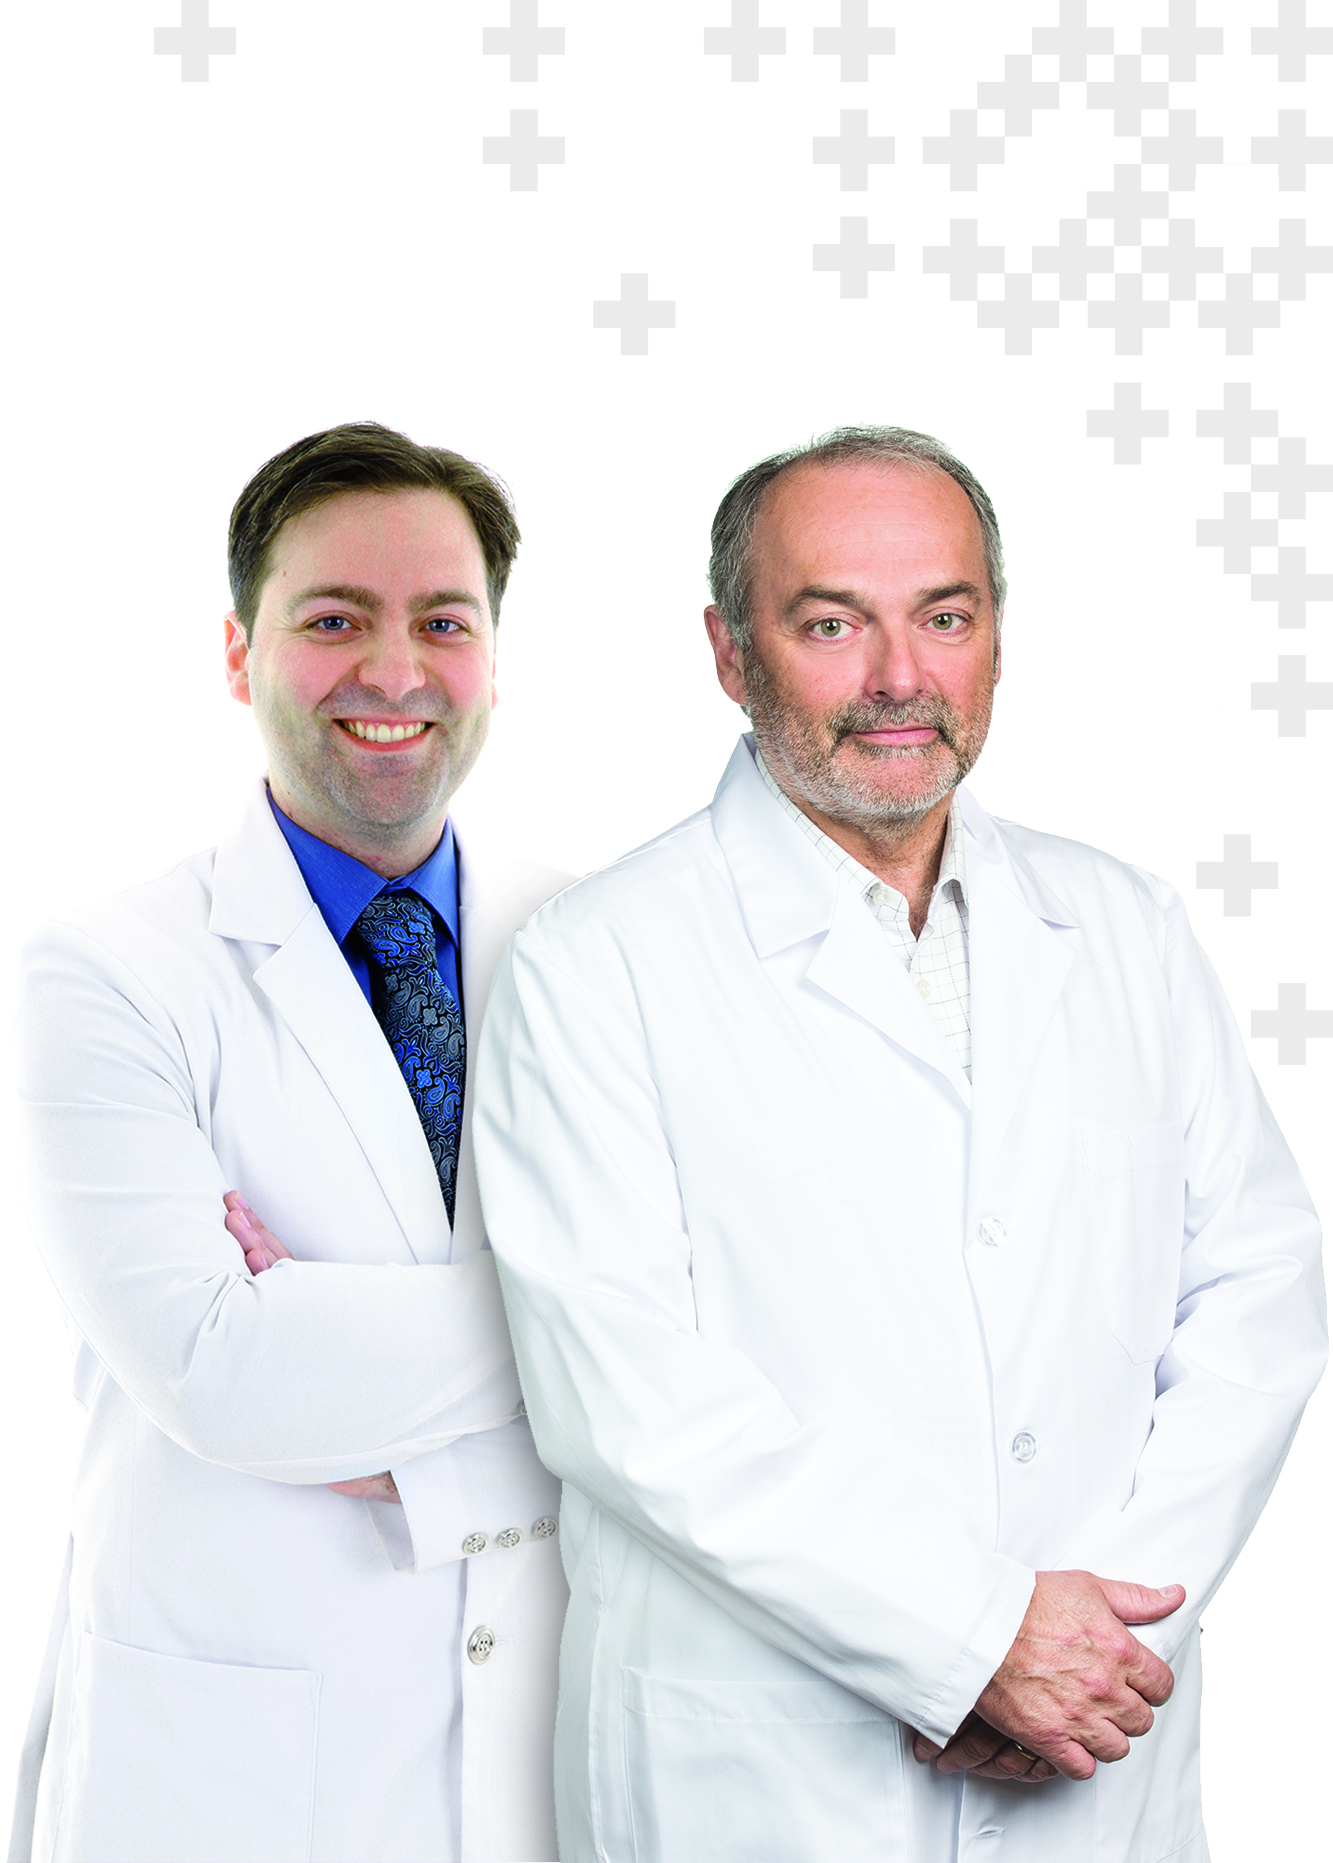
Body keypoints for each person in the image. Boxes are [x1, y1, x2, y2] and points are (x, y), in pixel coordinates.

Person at [472, 426, 1327, 1862]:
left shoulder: (1125, 927)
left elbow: (1258, 1291)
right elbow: (626, 1398)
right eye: (830, 624)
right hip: (760, 1780)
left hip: (1100, 1753)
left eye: (945, 616)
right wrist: (972, 1639)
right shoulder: (596, 961)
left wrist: (1098, 1639)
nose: (898, 678)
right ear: (729, 653)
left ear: (997, 635)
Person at [13, 423, 569, 1863]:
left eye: (442, 621)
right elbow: (224, 1369)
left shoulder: (594, 948)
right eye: (333, 620)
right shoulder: (110, 973)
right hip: (222, 1788)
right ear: (236, 652)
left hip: (535, 1776)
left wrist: (387, 1410)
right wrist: (602, 1323)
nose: (394, 670)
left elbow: (748, 1341)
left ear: (492, 658)